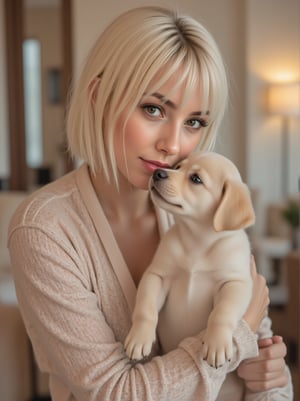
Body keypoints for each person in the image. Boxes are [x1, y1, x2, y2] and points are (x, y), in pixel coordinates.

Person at [8, 6, 292, 401]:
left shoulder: (202, 211)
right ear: (98, 98)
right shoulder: (44, 229)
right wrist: (239, 333)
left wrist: (271, 375)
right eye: (153, 109)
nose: (173, 146)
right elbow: (114, 392)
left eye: (194, 122)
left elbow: (269, 373)